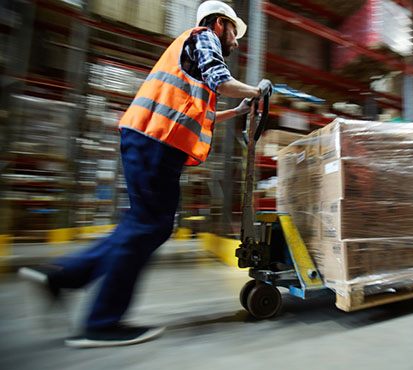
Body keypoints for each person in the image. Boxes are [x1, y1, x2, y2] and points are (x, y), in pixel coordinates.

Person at [18, 0, 273, 348]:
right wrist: (257, 91)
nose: (236, 41)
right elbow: (221, 79)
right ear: (218, 24)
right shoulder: (203, 38)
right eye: (233, 31)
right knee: (150, 225)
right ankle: (101, 322)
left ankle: (63, 276)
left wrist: (240, 109)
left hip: (150, 140)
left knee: (142, 224)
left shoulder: (191, 59)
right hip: (155, 142)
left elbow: (202, 116)